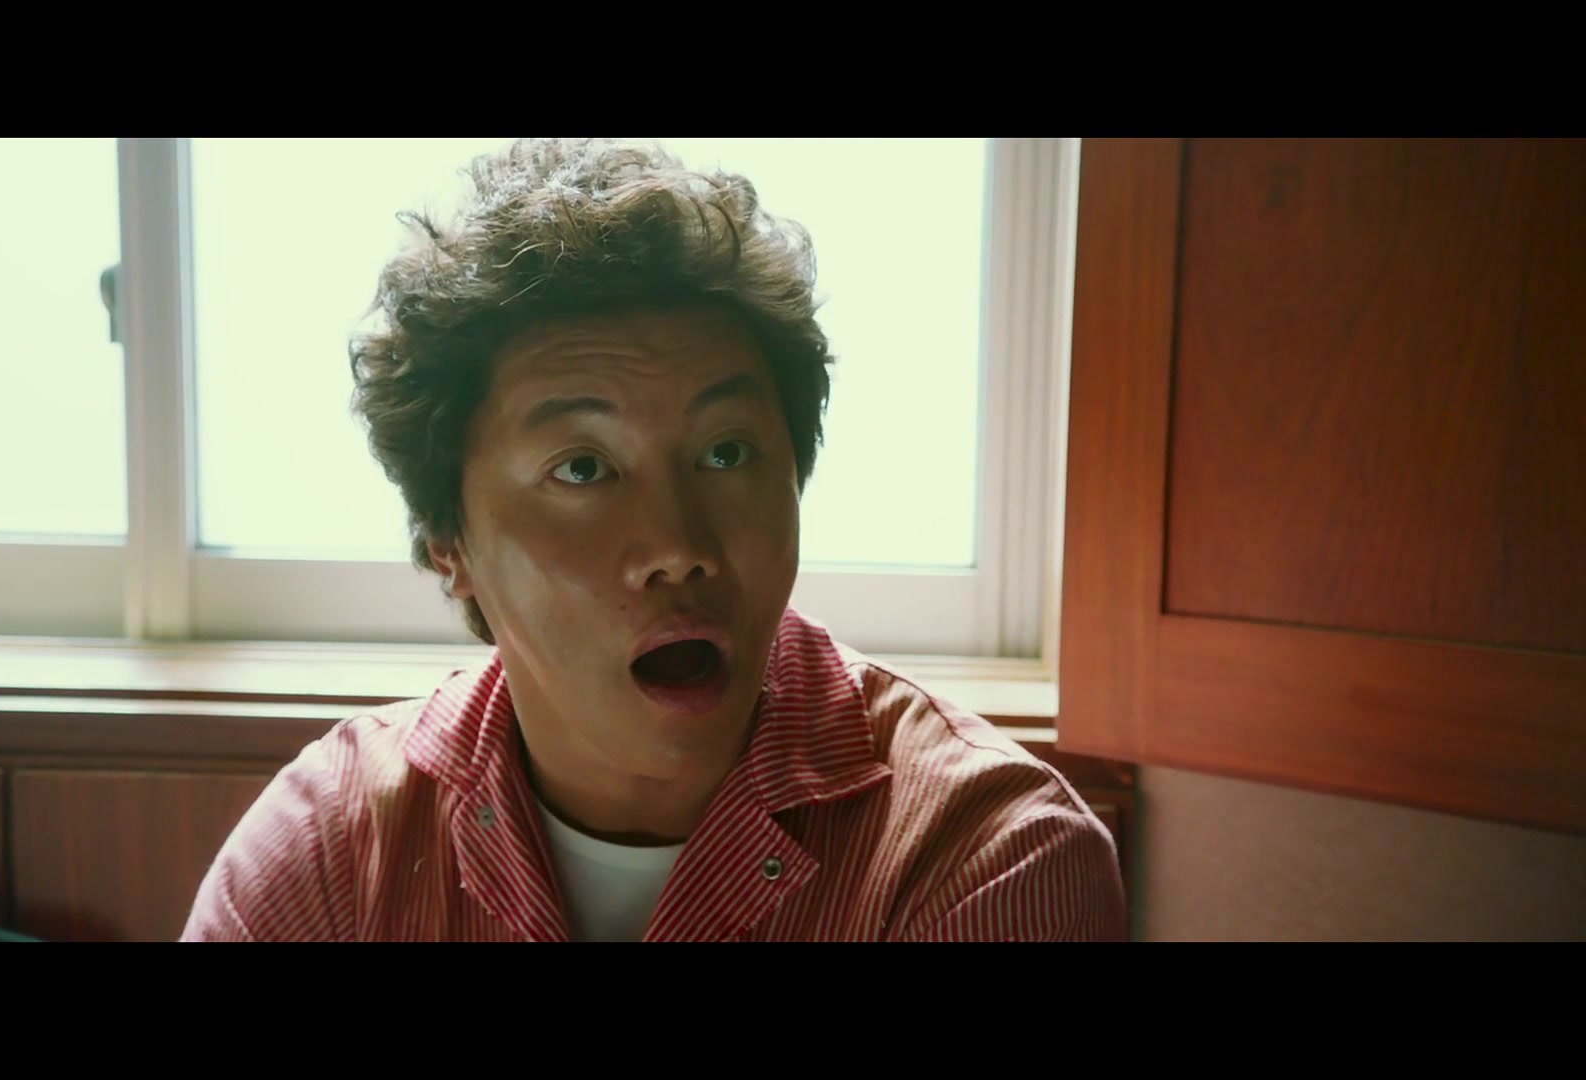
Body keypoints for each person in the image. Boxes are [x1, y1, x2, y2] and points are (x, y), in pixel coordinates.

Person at [181, 138, 1127, 942]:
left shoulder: (986, 854)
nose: (678, 545)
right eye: (583, 469)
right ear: (447, 540)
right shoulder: (332, 850)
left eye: (726, 452)